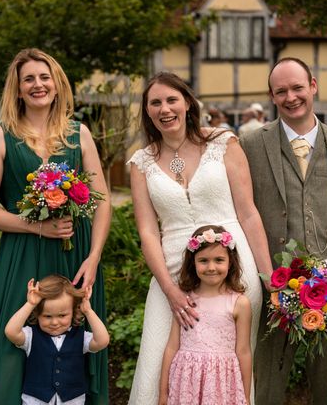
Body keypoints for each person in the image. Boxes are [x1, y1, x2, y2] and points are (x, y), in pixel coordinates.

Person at [0, 48, 111, 404]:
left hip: (74, 252)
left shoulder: (79, 134)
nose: (38, 85)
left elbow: (102, 200)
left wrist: (93, 258)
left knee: (75, 343)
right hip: (23, 254)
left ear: (57, 83)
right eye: (29, 79)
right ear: (17, 90)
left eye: (44, 77)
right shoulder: (0, 136)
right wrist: (36, 227)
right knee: (13, 346)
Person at [127, 71, 272, 404]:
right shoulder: (142, 163)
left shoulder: (223, 142)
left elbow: (248, 213)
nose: (165, 109)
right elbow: (148, 230)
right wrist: (169, 288)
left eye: (172, 99)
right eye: (155, 103)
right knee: (156, 353)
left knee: (231, 359)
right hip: (173, 266)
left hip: (233, 263)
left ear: (188, 103)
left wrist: (268, 279)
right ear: (148, 111)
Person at [240, 57, 327, 405]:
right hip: (272, 282)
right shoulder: (250, 145)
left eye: (297, 88)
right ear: (272, 96)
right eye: (281, 91)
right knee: (269, 384)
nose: (291, 97)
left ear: (313, 86)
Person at [159, 225, 252, 405]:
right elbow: (172, 346)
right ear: (193, 262)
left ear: (230, 262)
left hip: (221, 384)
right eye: (203, 260)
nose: (211, 267)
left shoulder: (239, 303)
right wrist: (163, 393)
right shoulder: (184, 300)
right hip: (186, 382)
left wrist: (245, 397)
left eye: (219, 260)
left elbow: (244, 351)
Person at [5, 275, 109, 405]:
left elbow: (102, 341)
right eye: (47, 316)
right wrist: (30, 304)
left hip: (72, 400)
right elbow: (11, 332)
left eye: (62, 315)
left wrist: (88, 311)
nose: (54, 322)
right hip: (36, 400)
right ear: (37, 314)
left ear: (73, 312)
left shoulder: (81, 337)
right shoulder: (31, 336)